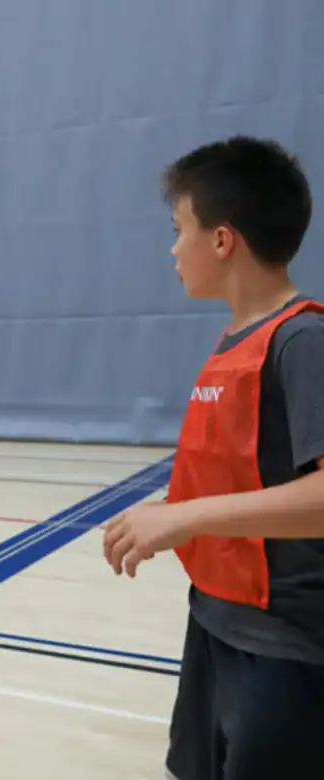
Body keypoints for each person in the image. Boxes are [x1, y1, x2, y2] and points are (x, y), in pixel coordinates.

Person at [102, 136, 324, 780]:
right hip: (217, 622)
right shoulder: (235, 341)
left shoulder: (302, 340)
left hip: (287, 649)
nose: (174, 249)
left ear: (222, 240)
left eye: (180, 230)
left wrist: (185, 518)